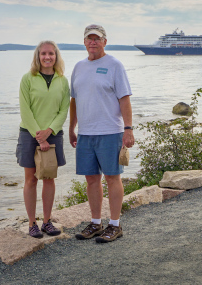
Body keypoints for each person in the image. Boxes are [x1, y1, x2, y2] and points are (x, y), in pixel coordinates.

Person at [69, 24, 134, 243]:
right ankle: (96, 223)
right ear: (84, 42)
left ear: (105, 41)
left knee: (112, 178)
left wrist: (128, 129)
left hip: (110, 132)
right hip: (86, 134)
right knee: (91, 179)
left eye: (97, 38)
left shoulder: (115, 65)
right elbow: (74, 101)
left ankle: (114, 225)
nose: (93, 42)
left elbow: (124, 99)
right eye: (89, 39)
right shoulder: (78, 67)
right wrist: (71, 128)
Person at [16, 41, 70, 238]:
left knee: (49, 178)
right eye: (43, 54)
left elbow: (64, 110)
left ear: (56, 56)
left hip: (54, 133)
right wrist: (39, 135)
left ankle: (47, 222)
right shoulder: (28, 79)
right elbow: (25, 110)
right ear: (37, 56)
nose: (47, 57)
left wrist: (50, 130)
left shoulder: (63, 81)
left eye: (51, 54)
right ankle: (32, 224)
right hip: (30, 134)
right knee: (30, 180)